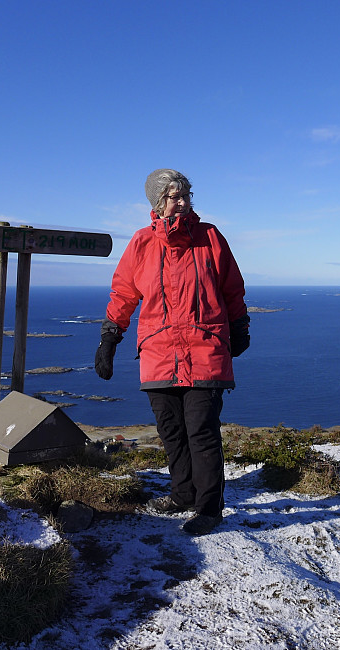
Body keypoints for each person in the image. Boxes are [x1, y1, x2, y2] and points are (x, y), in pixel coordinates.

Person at [95, 168, 249, 536]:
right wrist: (109, 337)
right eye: (171, 197)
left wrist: (240, 326)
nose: (180, 203)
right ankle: (182, 495)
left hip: (205, 349)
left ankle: (209, 508)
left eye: (184, 196)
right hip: (159, 352)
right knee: (171, 432)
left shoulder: (210, 237)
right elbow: (124, 293)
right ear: (157, 202)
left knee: (202, 431)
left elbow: (232, 288)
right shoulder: (142, 243)